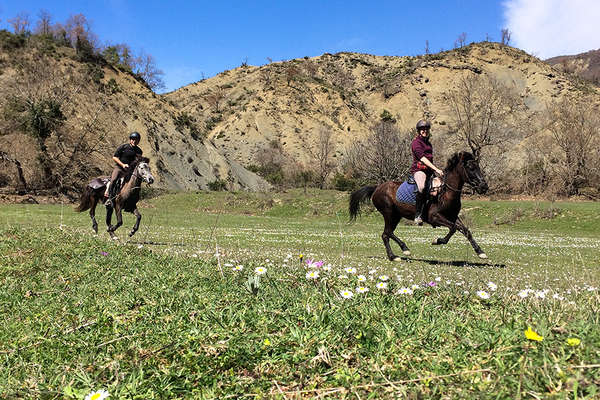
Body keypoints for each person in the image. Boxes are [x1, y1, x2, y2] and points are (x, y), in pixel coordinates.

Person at [410, 120, 443, 225]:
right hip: (419, 170)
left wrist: (434, 172)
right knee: (421, 187)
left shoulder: (428, 144)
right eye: (422, 129)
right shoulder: (416, 143)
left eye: (426, 129)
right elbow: (423, 159)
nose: (425, 131)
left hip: (429, 171)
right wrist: (436, 169)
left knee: (439, 187)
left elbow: (430, 160)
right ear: (419, 131)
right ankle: (418, 215)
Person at [104, 132, 143, 206]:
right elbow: (115, 157)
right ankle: (109, 198)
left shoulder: (139, 151)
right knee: (114, 179)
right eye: (133, 139)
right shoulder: (124, 147)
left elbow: (139, 162)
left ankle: (130, 200)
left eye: (136, 140)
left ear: (138, 141)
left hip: (130, 171)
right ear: (130, 140)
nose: (134, 141)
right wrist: (123, 165)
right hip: (119, 168)